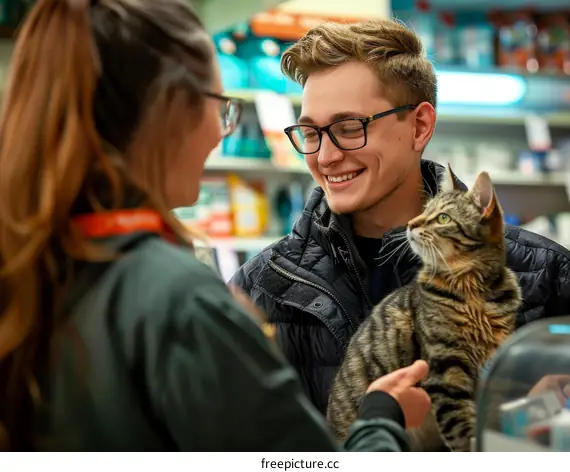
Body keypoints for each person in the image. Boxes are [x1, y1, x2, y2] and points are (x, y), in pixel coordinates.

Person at [0, 0, 432, 451]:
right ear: (172, 110)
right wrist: (381, 419)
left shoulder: (38, 267)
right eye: (219, 104)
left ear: (420, 126)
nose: (220, 130)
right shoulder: (192, 300)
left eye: (348, 127)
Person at [230, 19, 570, 416]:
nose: (324, 156)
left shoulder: (551, 282)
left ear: (420, 126)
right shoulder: (260, 291)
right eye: (310, 133)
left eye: (349, 128)